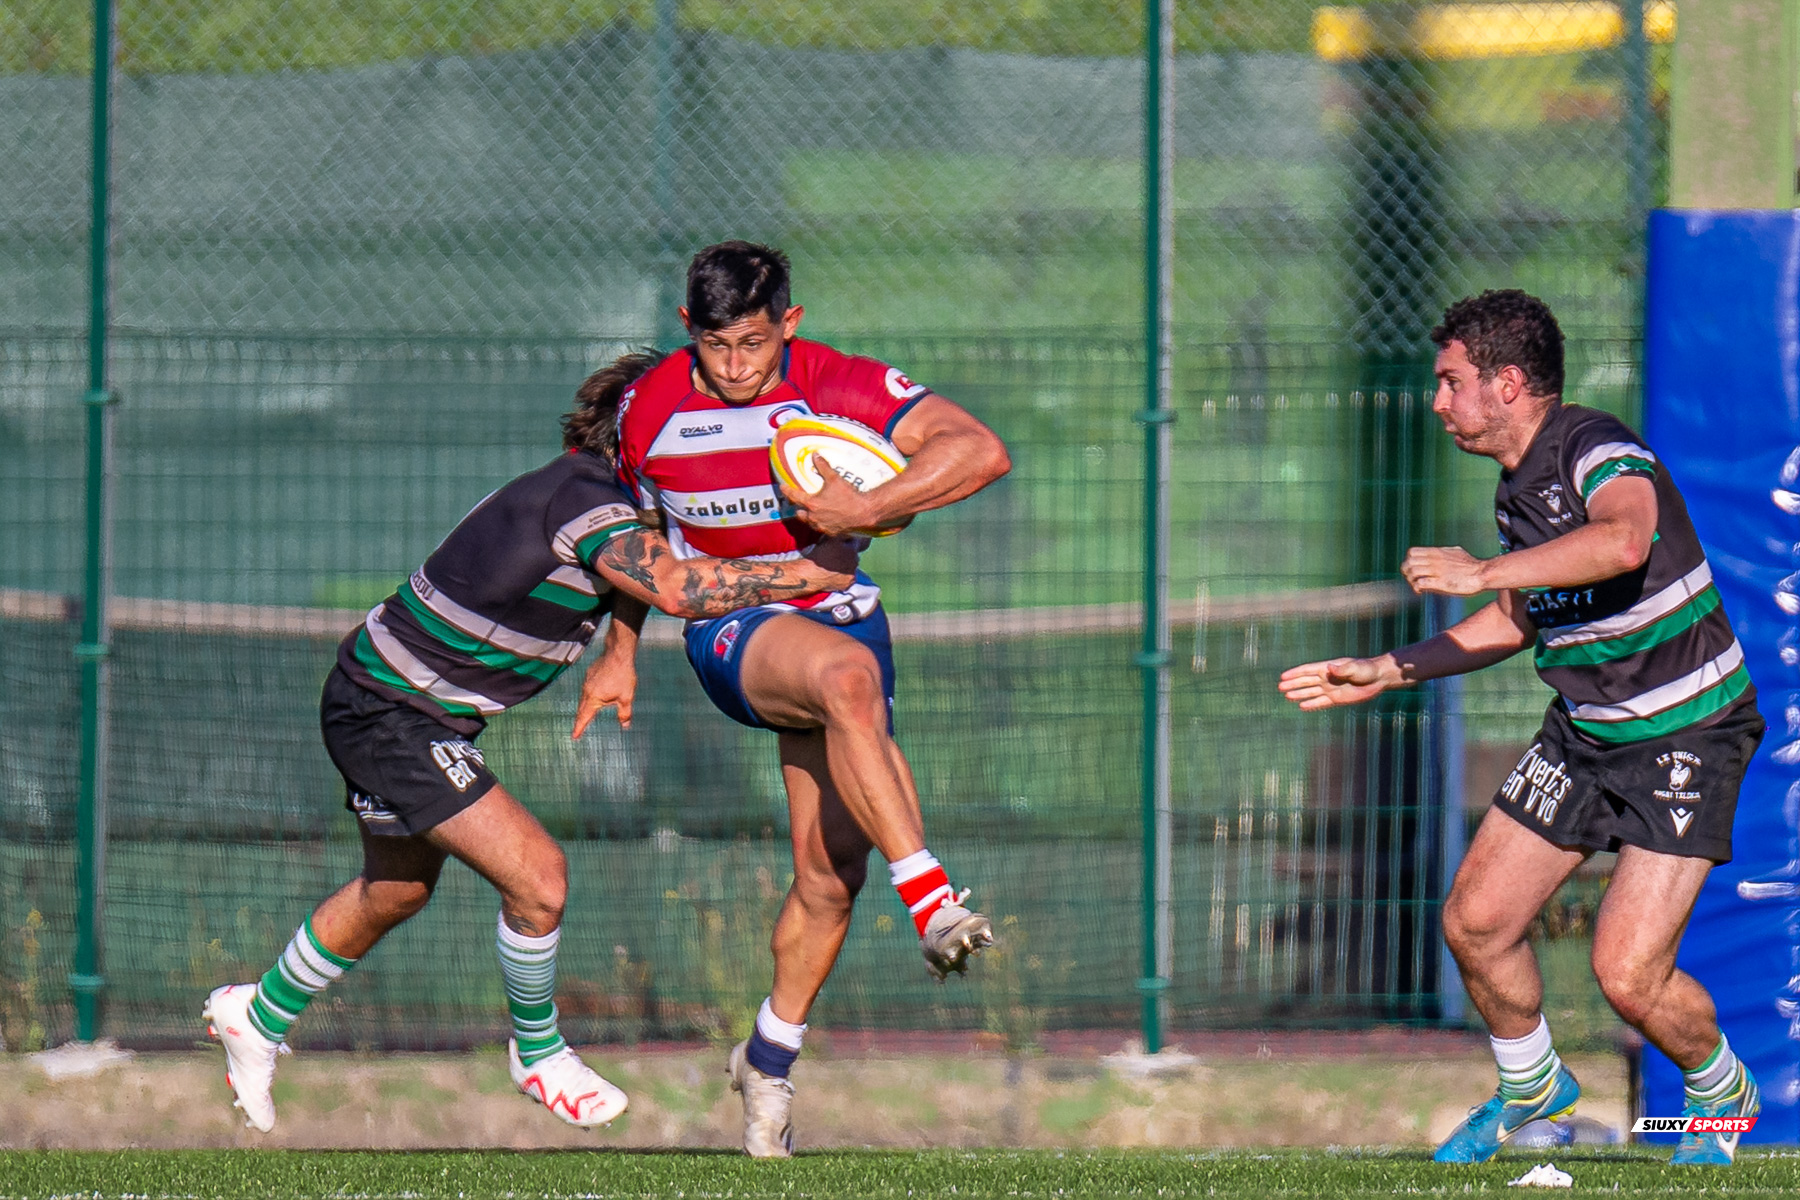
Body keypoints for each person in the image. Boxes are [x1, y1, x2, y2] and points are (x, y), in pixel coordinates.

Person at [203, 359, 858, 1134]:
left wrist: (618, 654)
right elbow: (678, 587)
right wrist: (809, 569)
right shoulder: (586, 499)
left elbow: (635, 574)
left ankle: (260, 1012)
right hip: (392, 711)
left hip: (401, 706)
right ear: (638, 427)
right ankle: (538, 1053)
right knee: (540, 879)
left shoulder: (618, 500)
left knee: (397, 890)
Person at [1278, 290, 1765, 1167]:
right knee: (1474, 922)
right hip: (1584, 732)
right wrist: (1389, 669)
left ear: (1506, 383)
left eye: (1449, 381)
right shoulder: (1517, 488)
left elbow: (1622, 542)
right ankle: (1533, 1085)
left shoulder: (1597, 449)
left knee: (1627, 976)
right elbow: (1512, 623)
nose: (1437, 401)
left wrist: (1480, 568)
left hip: (1688, 733)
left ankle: (1718, 1089)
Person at [584, 240, 1011, 1157]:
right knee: (844, 682)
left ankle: (767, 1060)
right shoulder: (648, 408)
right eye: (715, 346)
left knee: (829, 874)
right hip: (732, 629)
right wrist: (617, 649)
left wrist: (873, 504)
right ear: (685, 330)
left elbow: (979, 450)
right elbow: (634, 535)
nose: (735, 368)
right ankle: (935, 903)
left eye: (754, 344)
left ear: (791, 323)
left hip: (844, 613)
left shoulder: (834, 381)